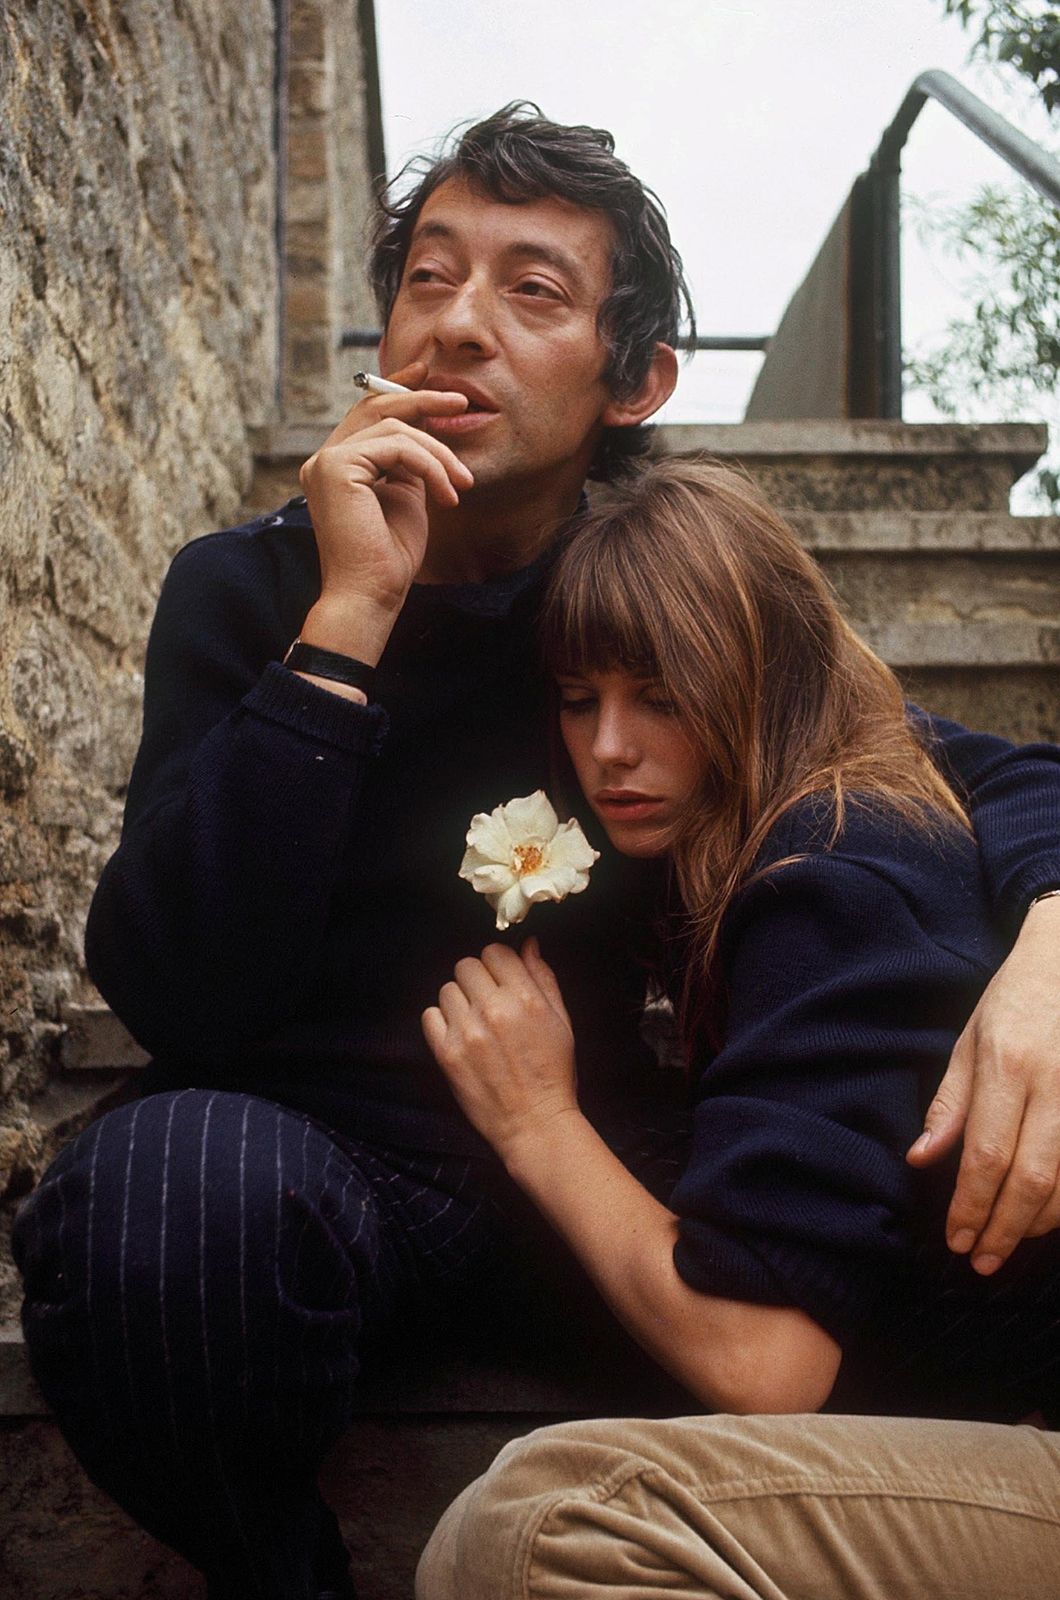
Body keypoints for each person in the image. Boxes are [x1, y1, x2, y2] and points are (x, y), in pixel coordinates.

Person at [10, 105, 1060, 1600]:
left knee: (899, 1228)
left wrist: (1053, 943)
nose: (457, 325)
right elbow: (171, 984)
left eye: (532, 292)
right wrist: (349, 621)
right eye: (428, 278)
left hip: (601, 1145)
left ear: (636, 382)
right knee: (147, 1216)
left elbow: (923, 767)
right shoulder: (250, 589)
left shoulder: (650, 594)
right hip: (299, 1164)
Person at [415, 456, 1060, 1599]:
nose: (608, 748)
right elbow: (1016, 770)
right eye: (579, 697)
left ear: (765, 678)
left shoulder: (830, 869)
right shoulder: (839, 787)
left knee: (537, 1529)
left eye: (660, 694)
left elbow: (764, 1364)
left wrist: (537, 1122)